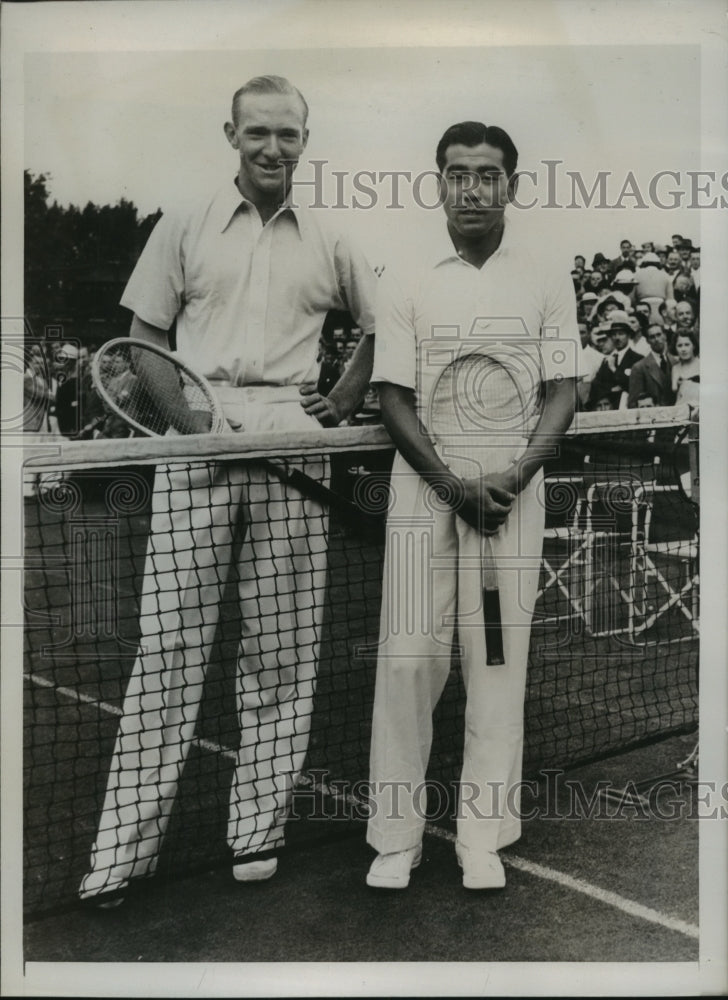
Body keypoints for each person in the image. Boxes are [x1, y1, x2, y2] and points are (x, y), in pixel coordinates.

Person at [79, 75, 376, 905]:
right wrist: (191, 427)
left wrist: (343, 399)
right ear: (231, 135)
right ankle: (120, 854)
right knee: (167, 649)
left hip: (290, 439)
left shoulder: (332, 236)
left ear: (304, 140)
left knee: (278, 654)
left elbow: (388, 327)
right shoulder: (183, 222)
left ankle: (256, 830)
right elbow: (143, 340)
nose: (273, 149)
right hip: (199, 440)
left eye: (287, 134)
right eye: (258, 134)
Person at [365, 120, 581, 891]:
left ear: (511, 186)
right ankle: (397, 837)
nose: (472, 188)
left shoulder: (548, 274)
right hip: (425, 490)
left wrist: (516, 474)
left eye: (488, 174)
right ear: (440, 182)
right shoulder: (408, 278)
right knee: (409, 657)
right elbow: (392, 397)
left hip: (513, 492)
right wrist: (451, 483)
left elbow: (563, 391)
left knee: (496, 660)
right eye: (457, 173)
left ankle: (481, 837)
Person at [588, 311, 642, 411]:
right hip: (609, 408)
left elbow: (633, 385)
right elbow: (597, 384)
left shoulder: (637, 358)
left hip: (629, 407)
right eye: (614, 334)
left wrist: (614, 370)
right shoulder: (608, 360)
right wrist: (611, 390)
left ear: (628, 335)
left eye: (621, 334)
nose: (617, 338)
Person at [627, 323, 674, 408]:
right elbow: (633, 403)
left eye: (659, 335)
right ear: (647, 341)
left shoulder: (676, 362)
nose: (656, 339)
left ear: (665, 336)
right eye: (652, 337)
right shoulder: (639, 367)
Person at [670, 330, 700, 408]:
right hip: (681, 409)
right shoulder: (675, 368)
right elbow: (674, 390)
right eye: (679, 345)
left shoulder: (702, 365)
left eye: (687, 345)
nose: (683, 349)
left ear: (694, 346)